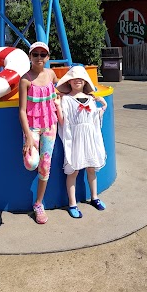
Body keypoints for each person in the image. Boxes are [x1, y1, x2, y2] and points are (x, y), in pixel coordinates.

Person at [18, 41, 62, 224]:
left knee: (45, 165)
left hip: (50, 125)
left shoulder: (51, 74)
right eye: (35, 54)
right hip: (33, 127)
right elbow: (21, 110)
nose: (39, 58)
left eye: (42, 55)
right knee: (31, 162)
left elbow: (60, 91)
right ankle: (33, 152)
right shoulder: (25, 79)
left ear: (48, 57)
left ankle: (38, 203)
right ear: (30, 57)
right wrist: (28, 137)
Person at [56, 66, 108, 219]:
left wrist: (103, 106)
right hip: (75, 138)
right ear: (69, 81)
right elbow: (63, 122)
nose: (78, 81)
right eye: (74, 78)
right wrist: (58, 106)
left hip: (90, 137)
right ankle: (72, 204)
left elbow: (94, 119)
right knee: (74, 170)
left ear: (85, 81)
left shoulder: (91, 99)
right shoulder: (66, 99)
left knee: (91, 168)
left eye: (81, 78)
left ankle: (94, 197)